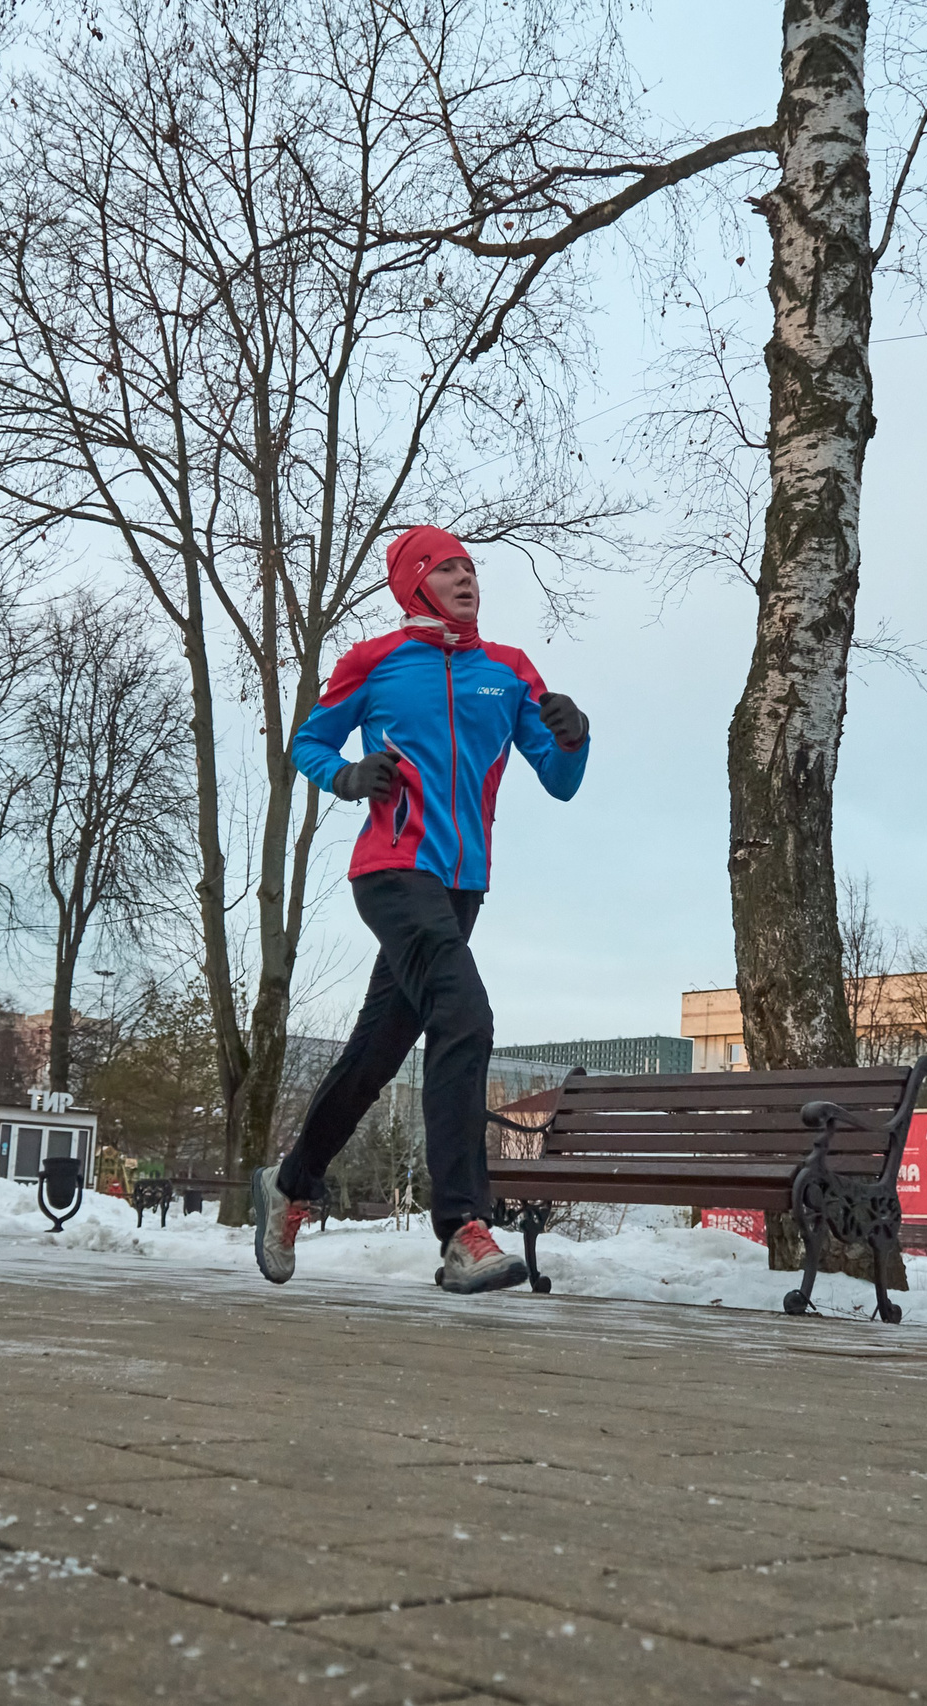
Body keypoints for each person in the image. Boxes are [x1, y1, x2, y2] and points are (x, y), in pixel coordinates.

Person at [253, 525, 589, 1293]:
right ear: (413, 583)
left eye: (471, 567)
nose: (467, 578)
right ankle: (464, 1229)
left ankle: (292, 1182)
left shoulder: (508, 673)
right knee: (465, 1016)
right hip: (392, 871)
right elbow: (307, 742)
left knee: (374, 1057)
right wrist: (346, 775)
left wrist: (575, 736)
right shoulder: (373, 662)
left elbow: (561, 780)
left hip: (463, 888)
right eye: (447, 569)